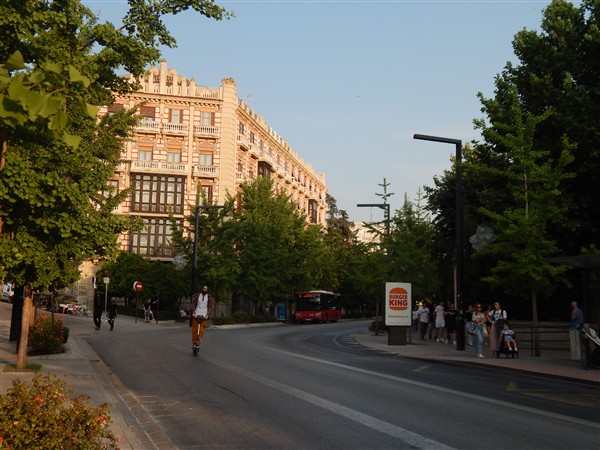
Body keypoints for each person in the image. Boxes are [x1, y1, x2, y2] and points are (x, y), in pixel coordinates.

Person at [190, 285, 215, 355]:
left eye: (206, 289)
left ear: (207, 290)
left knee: (201, 331)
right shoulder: (197, 295)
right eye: (204, 289)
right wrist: (193, 313)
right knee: (194, 331)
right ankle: (194, 343)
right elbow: (193, 304)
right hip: (196, 314)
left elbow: (210, 307)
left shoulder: (209, 297)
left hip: (204, 315)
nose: (205, 290)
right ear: (201, 289)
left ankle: (198, 344)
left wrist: (207, 315)